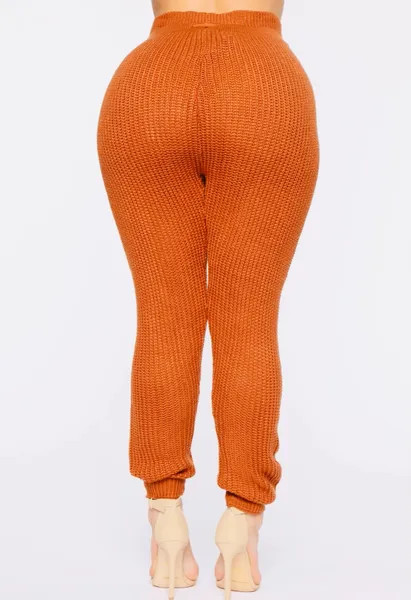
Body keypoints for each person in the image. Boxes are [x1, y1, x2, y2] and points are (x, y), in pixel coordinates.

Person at [97, 0, 319, 597]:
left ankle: (165, 517)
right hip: (264, 89)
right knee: (249, 320)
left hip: (149, 88)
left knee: (163, 316)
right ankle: (241, 522)